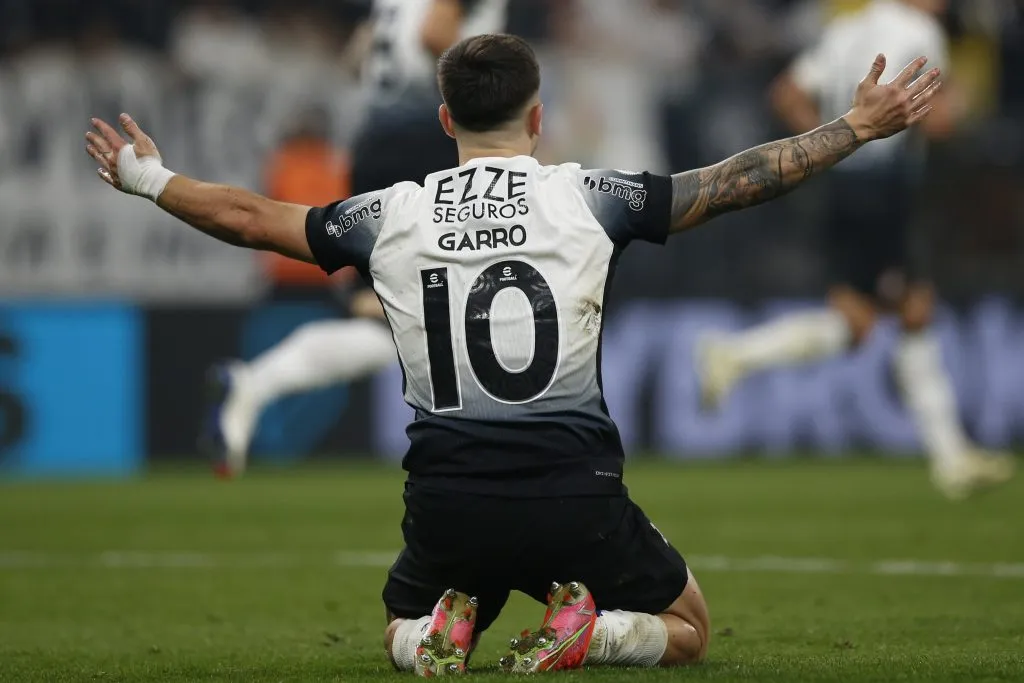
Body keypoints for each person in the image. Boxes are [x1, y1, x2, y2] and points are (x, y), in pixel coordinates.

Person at [85, 34, 941, 675]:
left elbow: (247, 218)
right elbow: (734, 182)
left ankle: (433, 641)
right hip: (578, 497)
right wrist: (855, 128)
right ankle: (597, 630)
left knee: (395, 626)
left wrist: (148, 179)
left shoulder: (389, 212)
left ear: (446, 118)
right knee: (690, 630)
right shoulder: (589, 196)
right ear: (538, 118)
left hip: (448, 504)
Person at [694, 0, 1014, 501]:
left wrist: (829, 149)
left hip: (843, 181)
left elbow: (787, 93)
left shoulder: (849, 28)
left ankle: (735, 353)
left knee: (858, 322)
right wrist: (967, 105)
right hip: (883, 187)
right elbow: (937, 122)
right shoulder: (919, 31)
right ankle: (953, 459)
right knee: (912, 308)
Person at [204, 0, 510, 476]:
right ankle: (485, 447)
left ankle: (253, 384)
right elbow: (435, 35)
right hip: (433, 139)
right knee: (474, 292)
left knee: (391, 317)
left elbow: (359, 55)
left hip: (375, 143)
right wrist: (498, 92)